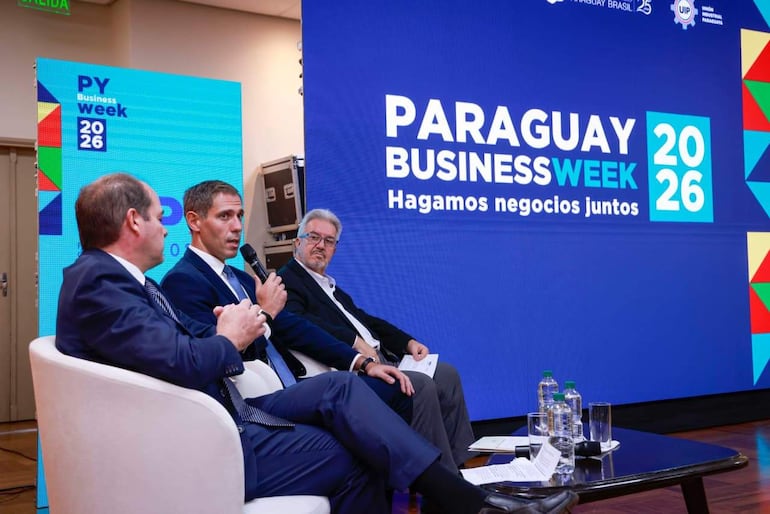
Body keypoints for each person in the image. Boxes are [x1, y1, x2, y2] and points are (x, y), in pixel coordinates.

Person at [55, 173, 577, 514]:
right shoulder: (103, 281)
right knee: (359, 446)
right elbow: (189, 360)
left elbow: (178, 352)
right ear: (133, 222)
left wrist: (237, 329)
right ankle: (471, 505)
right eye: (158, 215)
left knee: (345, 394)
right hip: (207, 433)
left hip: (229, 406)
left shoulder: (121, 281)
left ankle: (464, 500)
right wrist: (233, 332)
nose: (162, 225)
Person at [161, 180, 413, 422]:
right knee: (346, 387)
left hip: (292, 381)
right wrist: (266, 313)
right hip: (251, 399)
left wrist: (362, 362)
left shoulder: (241, 278)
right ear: (194, 221)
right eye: (225, 216)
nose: (237, 226)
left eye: (239, 216)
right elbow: (216, 357)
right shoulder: (183, 281)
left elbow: (298, 329)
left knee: (396, 388)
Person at [278, 208, 475, 472]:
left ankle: (462, 467)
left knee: (447, 375)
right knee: (420, 385)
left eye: (329, 241)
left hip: (381, 359)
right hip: (351, 370)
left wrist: (407, 342)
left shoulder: (328, 285)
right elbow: (302, 325)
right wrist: (353, 341)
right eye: (313, 237)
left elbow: (368, 321)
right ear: (297, 242)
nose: (320, 246)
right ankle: (443, 482)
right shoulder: (287, 281)